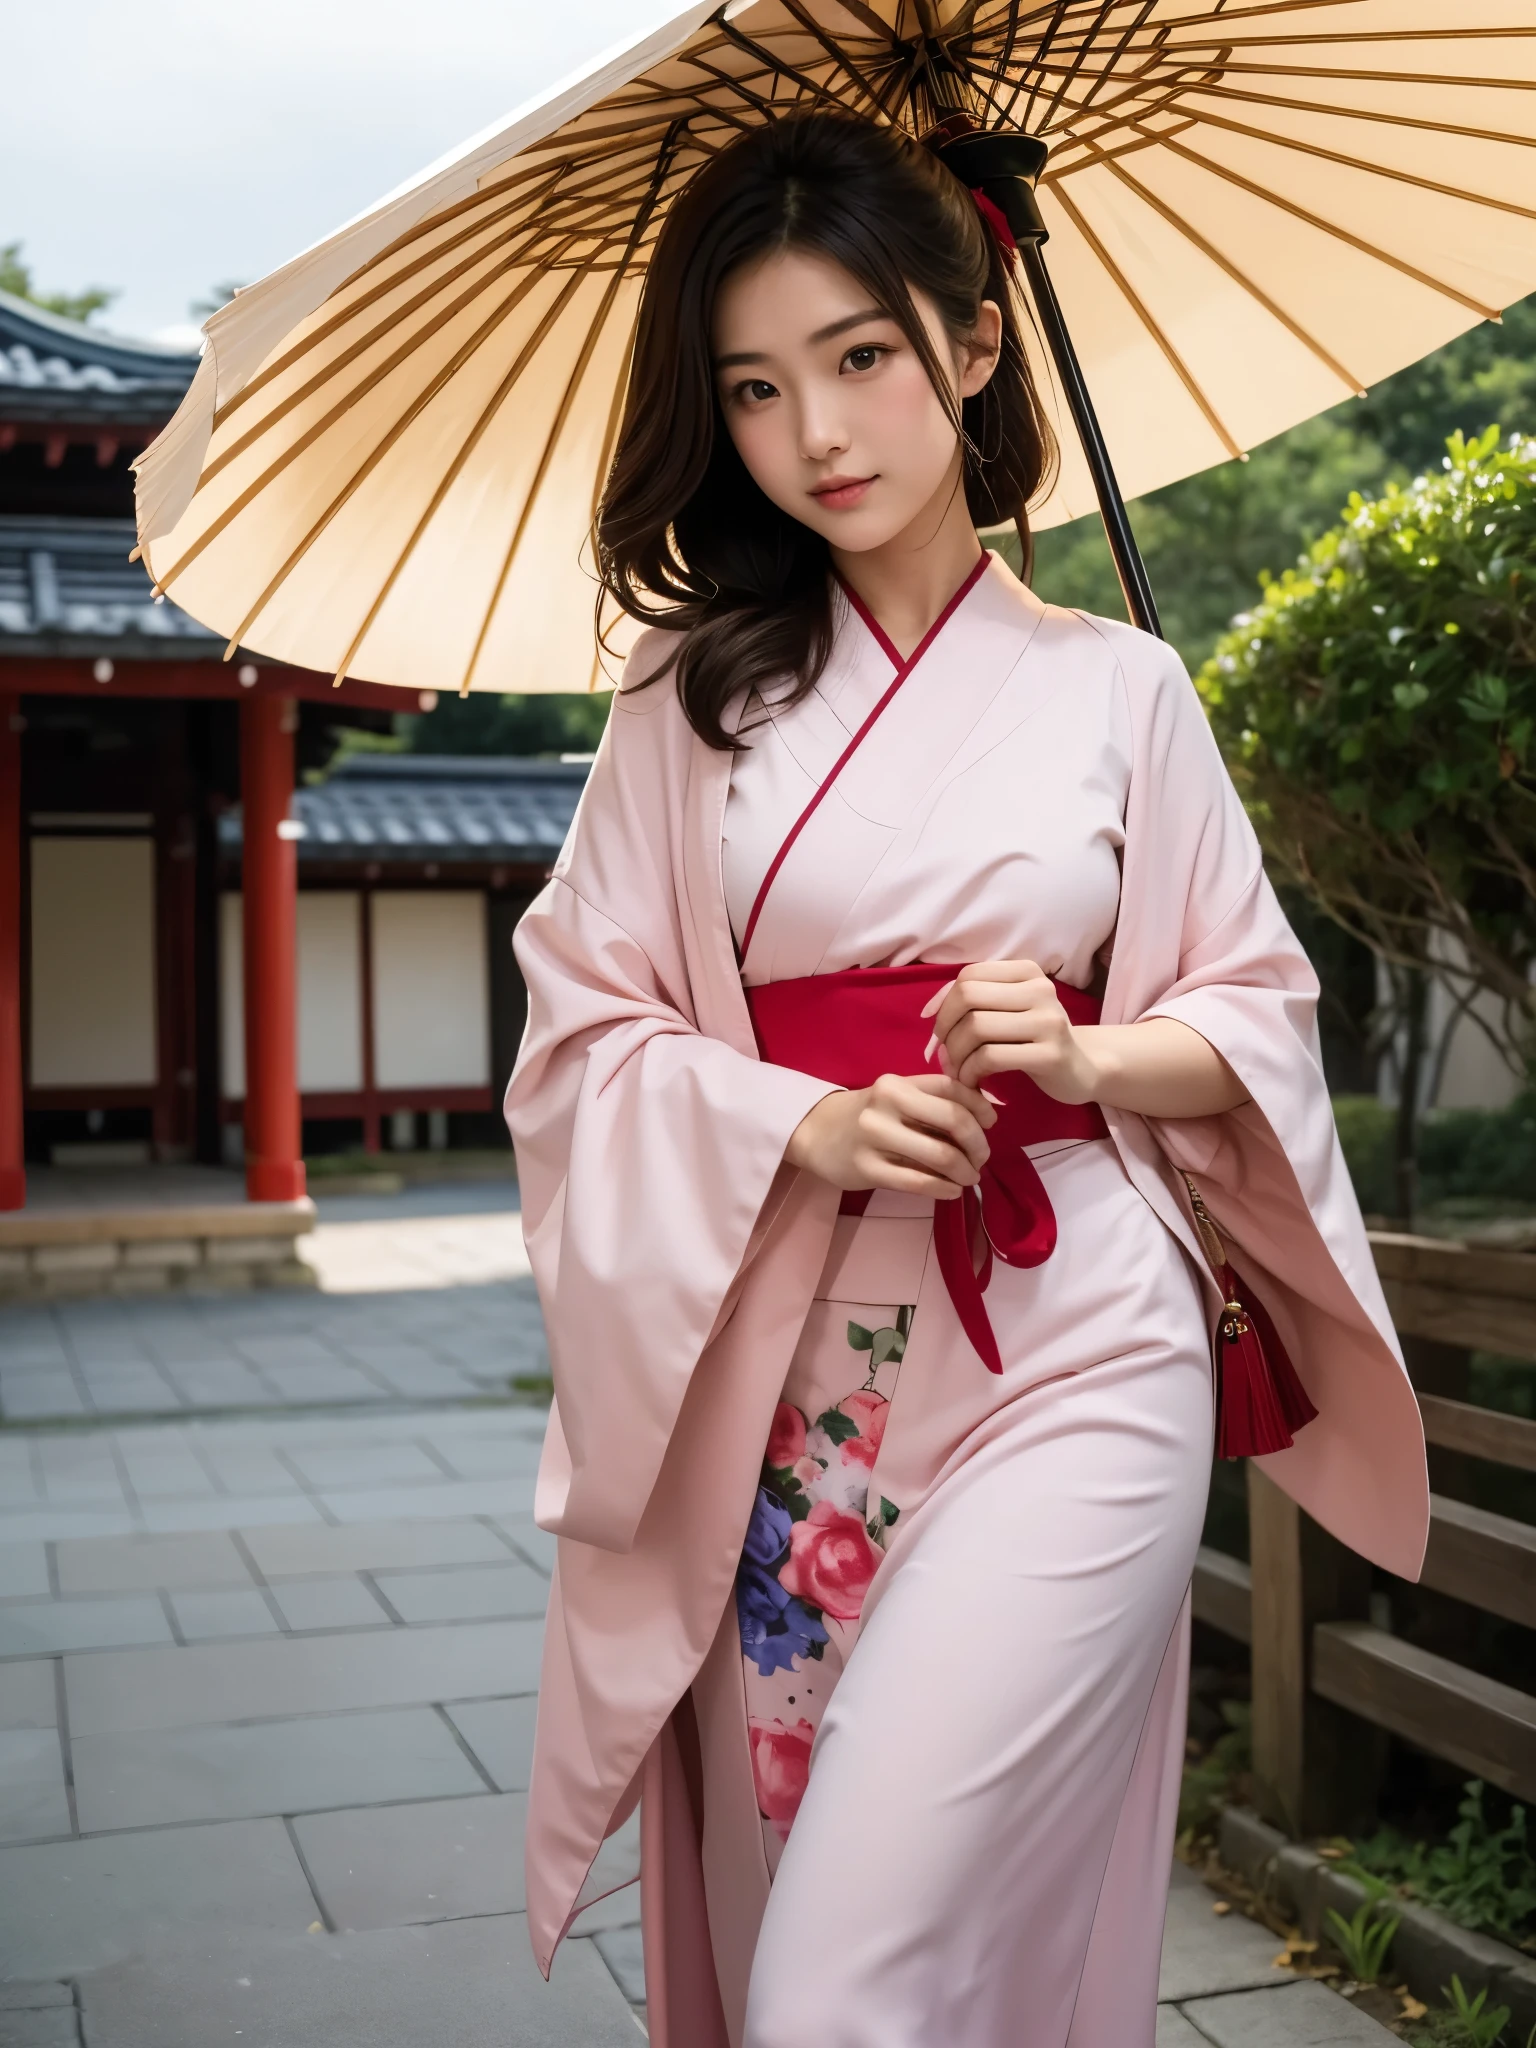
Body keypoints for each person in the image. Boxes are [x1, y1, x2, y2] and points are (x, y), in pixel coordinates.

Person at [505, 112, 1427, 2048]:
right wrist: (799, 1117)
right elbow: (583, 1035)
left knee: (850, 1972)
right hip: (791, 1367)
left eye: (860, 356)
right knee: (808, 1948)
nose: (816, 432)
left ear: (978, 341)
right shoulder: (691, 697)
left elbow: (1254, 1005)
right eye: (755, 388)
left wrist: (1089, 1046)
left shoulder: (1118, 687)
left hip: (1079, 1338)